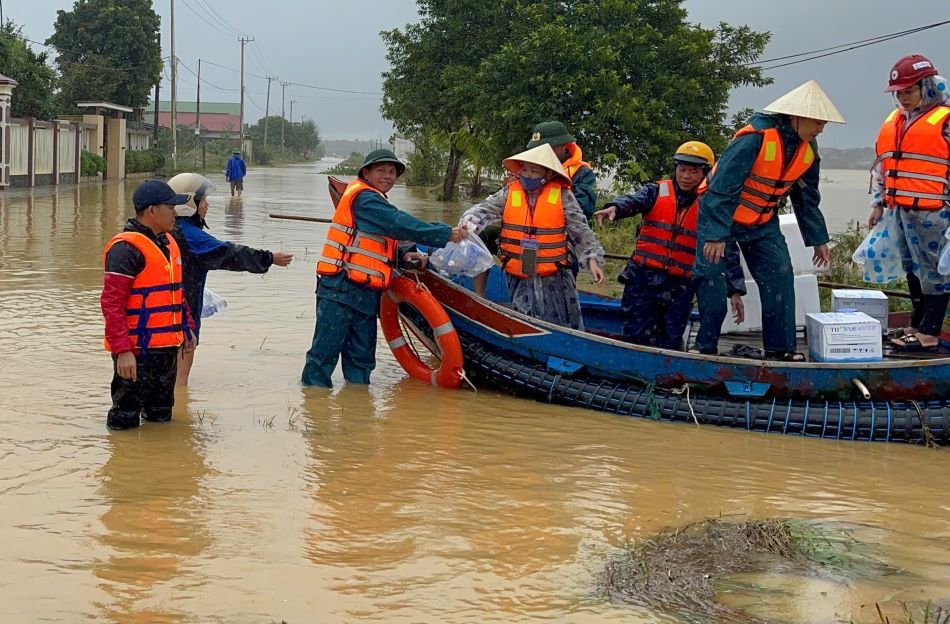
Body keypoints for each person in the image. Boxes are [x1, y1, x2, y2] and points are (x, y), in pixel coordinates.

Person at [692, 80, 845, 360]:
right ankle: (705, 348)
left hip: (762, 222)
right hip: (720, 218)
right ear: (796, 116)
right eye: (818, 122)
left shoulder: (808, 150)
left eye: (824, 124)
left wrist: (819, 238)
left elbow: (807, 197)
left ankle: (780, 350)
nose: (821, 128)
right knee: (712, 278)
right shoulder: (755, 138)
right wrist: (715, 234)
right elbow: (721, 187)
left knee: (779, 275)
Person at [302, 149, 468, 388]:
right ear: (366, 172)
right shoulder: (365, 199)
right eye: (381, 171)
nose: (388, 176)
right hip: (339, 288)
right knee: (323, 354)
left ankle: (358, 408)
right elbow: (399, 223)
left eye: (392, 172)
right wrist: (446, 233)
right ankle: (315, 410)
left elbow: (381, 240)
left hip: (367, 294)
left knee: (362, 358)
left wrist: (404, 252)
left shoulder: (376, 200)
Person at [594, 142, 746, 350]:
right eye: (682, 169)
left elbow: (727, 249)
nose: (686, 176)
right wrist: (614, 207)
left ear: (706, 173)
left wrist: (735, 290)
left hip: (680, 285)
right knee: (636, 336)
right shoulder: (655, 191)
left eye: (693, 171)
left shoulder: (712, 204)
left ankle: (664, 379)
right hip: (642, 280)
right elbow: (633, 201)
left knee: (670, 340)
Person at [459, 144, 606, 329]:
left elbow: (580, 229)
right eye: (525, 169)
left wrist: (592, 259)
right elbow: (483, 209)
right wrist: (467, 225)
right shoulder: (510, 192)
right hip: (520, 270)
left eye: (534, 171)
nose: (527, 175)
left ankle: (561, 346)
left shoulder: (562, 195)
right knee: (523, 315)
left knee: (560, 320)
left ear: (548, 174)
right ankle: (527, 344)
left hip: (553, 274)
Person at [167, 173, 294, 386]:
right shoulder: (191, 236)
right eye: (203, 200)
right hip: (181, 316)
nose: (207, 205)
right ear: (188, 204)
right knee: (179, 381)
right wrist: (269, 258)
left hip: (162, 315)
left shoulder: (165, 231)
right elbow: (230, 254)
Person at [870, 54, 950, 352]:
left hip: (936, 212)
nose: (903, 97)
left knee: (936, 272)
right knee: (912, 268)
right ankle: (916, 324)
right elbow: (883, 164)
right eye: (899, 92)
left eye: (909, 90)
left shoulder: (944, 119)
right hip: (901, 209)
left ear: (926, 86)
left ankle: (929, 333)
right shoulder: (898, 120)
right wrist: (878, 202)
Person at [101, 180, 196, 430]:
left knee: (161, 415)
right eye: (170, 207)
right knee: (125, 420)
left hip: (166, 350)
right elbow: (112, 305)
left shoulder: (168, 243)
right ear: (151, 211)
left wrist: (187, 328)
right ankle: (125, 466)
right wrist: (123, 351)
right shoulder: (125, 249)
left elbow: (176, 292)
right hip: (137, 352)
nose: (175, 212)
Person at [526, 121, 598, 219]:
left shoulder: (582, 173)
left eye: (546, 148)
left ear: (563, 145)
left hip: (565, 232)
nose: (542, 153)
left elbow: (585, 209)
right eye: (537, 149)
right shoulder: (527, 169)